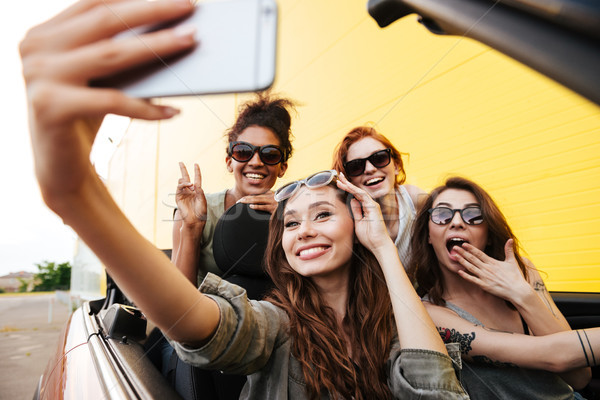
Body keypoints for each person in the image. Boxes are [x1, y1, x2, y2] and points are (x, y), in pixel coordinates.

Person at [21, 1, 471, 398]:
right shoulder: (275, 324)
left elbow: (433, 386)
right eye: (291, 224)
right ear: (230, 158)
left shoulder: (385, 316)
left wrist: (381, 245)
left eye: (270, 154)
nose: (304, 228)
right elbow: (189, 322)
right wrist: (79, 195)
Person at [408, 176, 597, 399]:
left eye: (472, 215)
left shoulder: (523, 271)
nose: (457, 222)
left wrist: (522, 295)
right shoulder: (431, 313)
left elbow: (579, 377)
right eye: (442, 215)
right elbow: (556, 356)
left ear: (488, 235)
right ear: (428, 235)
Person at [172, 93, 295, 286]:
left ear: (282, 167)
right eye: (243, 152)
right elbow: (175, 294)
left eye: (270, 154)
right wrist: (192, 227)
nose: (256, 162)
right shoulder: (199, 210)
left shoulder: (293, 211)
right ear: (229, 162)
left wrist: (289, 217)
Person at [332, 126, 424, 268]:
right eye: (356, 166)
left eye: (380, 158)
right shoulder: (348, 226)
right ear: (348, 181)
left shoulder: (415, 200)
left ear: (397, 166)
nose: (370, 169)